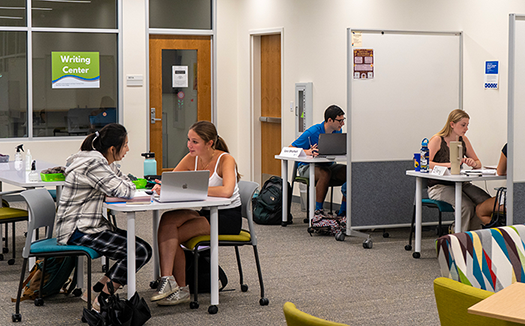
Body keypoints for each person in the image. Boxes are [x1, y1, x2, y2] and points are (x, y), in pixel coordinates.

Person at [55, 123, 152, 311]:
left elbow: (125, 180)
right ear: (112, 149)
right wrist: (129, 185)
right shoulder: (94, 163)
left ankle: (94, 291)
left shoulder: (103, 162)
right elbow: (124, 188)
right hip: (77, 230)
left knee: (141, 248)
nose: (128, 149)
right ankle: (102, 300)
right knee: (139, 251)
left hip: (88, 225)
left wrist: (127, 183)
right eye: (125, 145)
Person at [151, 120, 241, 306]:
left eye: (195, 141)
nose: (189, 145)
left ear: (210, 143)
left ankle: (182, 288)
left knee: (173, 234)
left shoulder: (225, 159)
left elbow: (226, 191)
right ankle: (167, 279)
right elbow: (173, 182)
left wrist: (196, 189)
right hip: (207, 211)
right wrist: (162, 188)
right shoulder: (192, 158)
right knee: (168, 219)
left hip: (227, 216)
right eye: (189, 140)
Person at [428, 109, 491, 232]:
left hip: (460, 183)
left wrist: (473, 163)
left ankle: (472, 235)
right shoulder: (437, 140)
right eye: (463, 125)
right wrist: (449, 165)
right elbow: (426, 163)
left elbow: (478, 163)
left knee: (486, 202)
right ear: (452, 124)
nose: (466, 128)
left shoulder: (464, 140)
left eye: (467, 125)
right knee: (465, 206)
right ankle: (459, 238)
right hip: (439, 186)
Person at [290, 105, 347, 216]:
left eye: (343, 120)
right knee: (325, 173)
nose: (342, 123)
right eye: (340, 121)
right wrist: (307, 152)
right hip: (306, 167)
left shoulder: (337, 132)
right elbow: (290, 148)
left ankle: (343, 212)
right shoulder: (313, 132)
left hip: (328, 165)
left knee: (349, 172)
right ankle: (318, 211)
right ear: (330, 120)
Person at [476, 143, 507, 225]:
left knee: (480, 210)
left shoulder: (510, 146)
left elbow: (500, 172)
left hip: (515, 199)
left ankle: (503, 234)